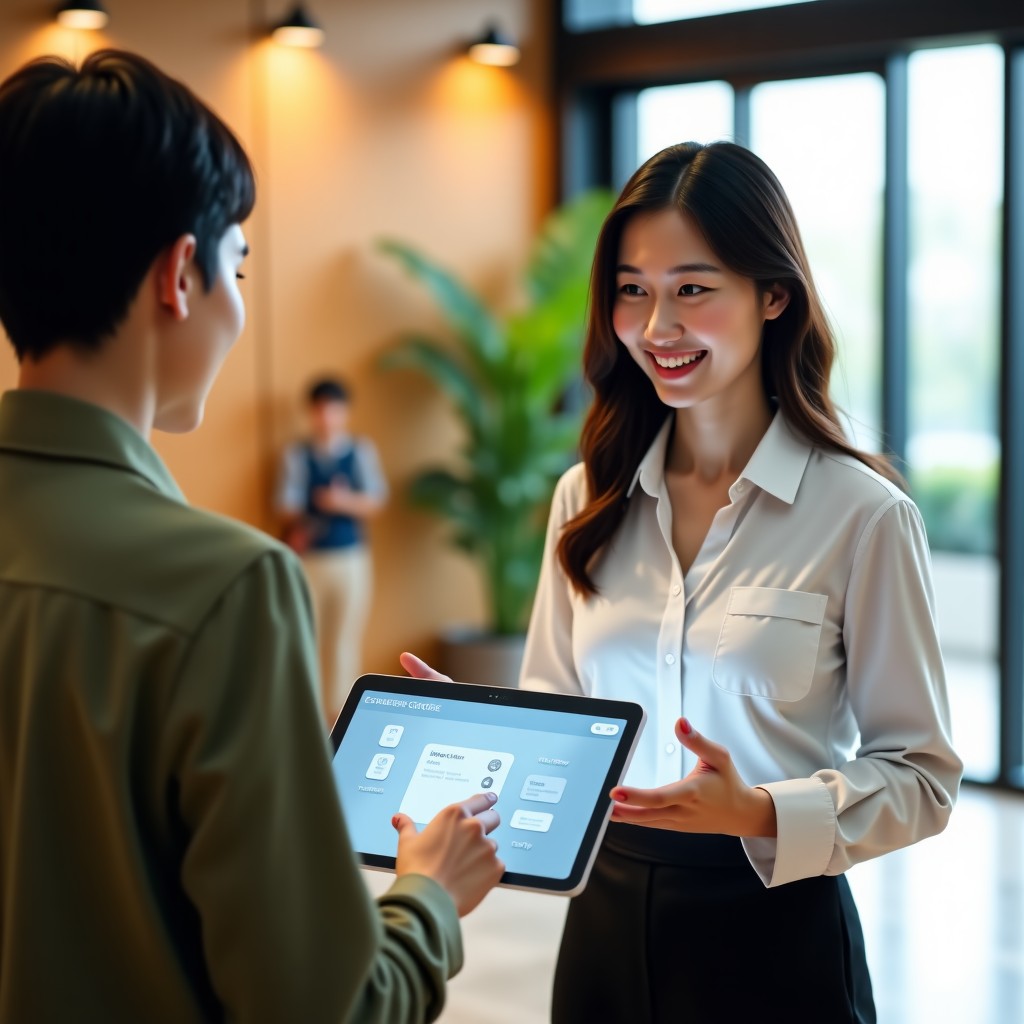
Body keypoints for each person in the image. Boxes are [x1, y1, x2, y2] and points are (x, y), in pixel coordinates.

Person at [406, 141, 962, 1023]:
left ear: (774, 295)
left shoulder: (863, 515)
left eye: (692, 289)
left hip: (778, 931)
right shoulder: (586, 498)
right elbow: (561, 717)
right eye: (633, 290)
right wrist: (481, 731)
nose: (657, 326)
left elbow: (922, 777)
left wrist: (760, 811)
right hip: (605, 926)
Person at [0, 50, 503, 1024]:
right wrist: (430, 894)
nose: (236, 303)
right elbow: (329, 1009)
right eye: (236, 266)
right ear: (178, 276)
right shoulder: (226, 587)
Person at [277, 376, 387, 725]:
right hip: (311, 559)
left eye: (333, 409)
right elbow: (285, 504)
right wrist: (309, 511)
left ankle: (340, 716)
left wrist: (341, 501)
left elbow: (376, 501)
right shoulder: (297, 454)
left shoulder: (361, 451)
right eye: (320, 409)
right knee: (305, 636)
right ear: (311, 412)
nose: (326, 417)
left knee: (343, 640)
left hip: (351, 558)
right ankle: (305, 715)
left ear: (345, 412)